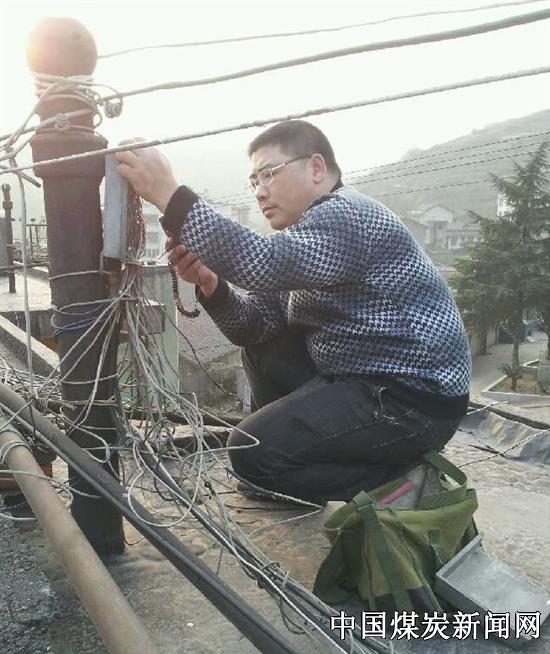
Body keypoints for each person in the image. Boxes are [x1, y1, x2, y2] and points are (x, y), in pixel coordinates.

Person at [116, 120, 471, 504]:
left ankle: (399, 476)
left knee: (251, 454)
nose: (260, 191)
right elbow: (253, 327)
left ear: (317, 168)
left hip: (413, 401)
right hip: (360, 380)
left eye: (269, 173)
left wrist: (167, 193)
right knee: (263, 351)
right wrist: (211, 286)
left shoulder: (346, 215)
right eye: (254, 181)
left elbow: (262, 262)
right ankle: (284, 456)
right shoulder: (303, 239)